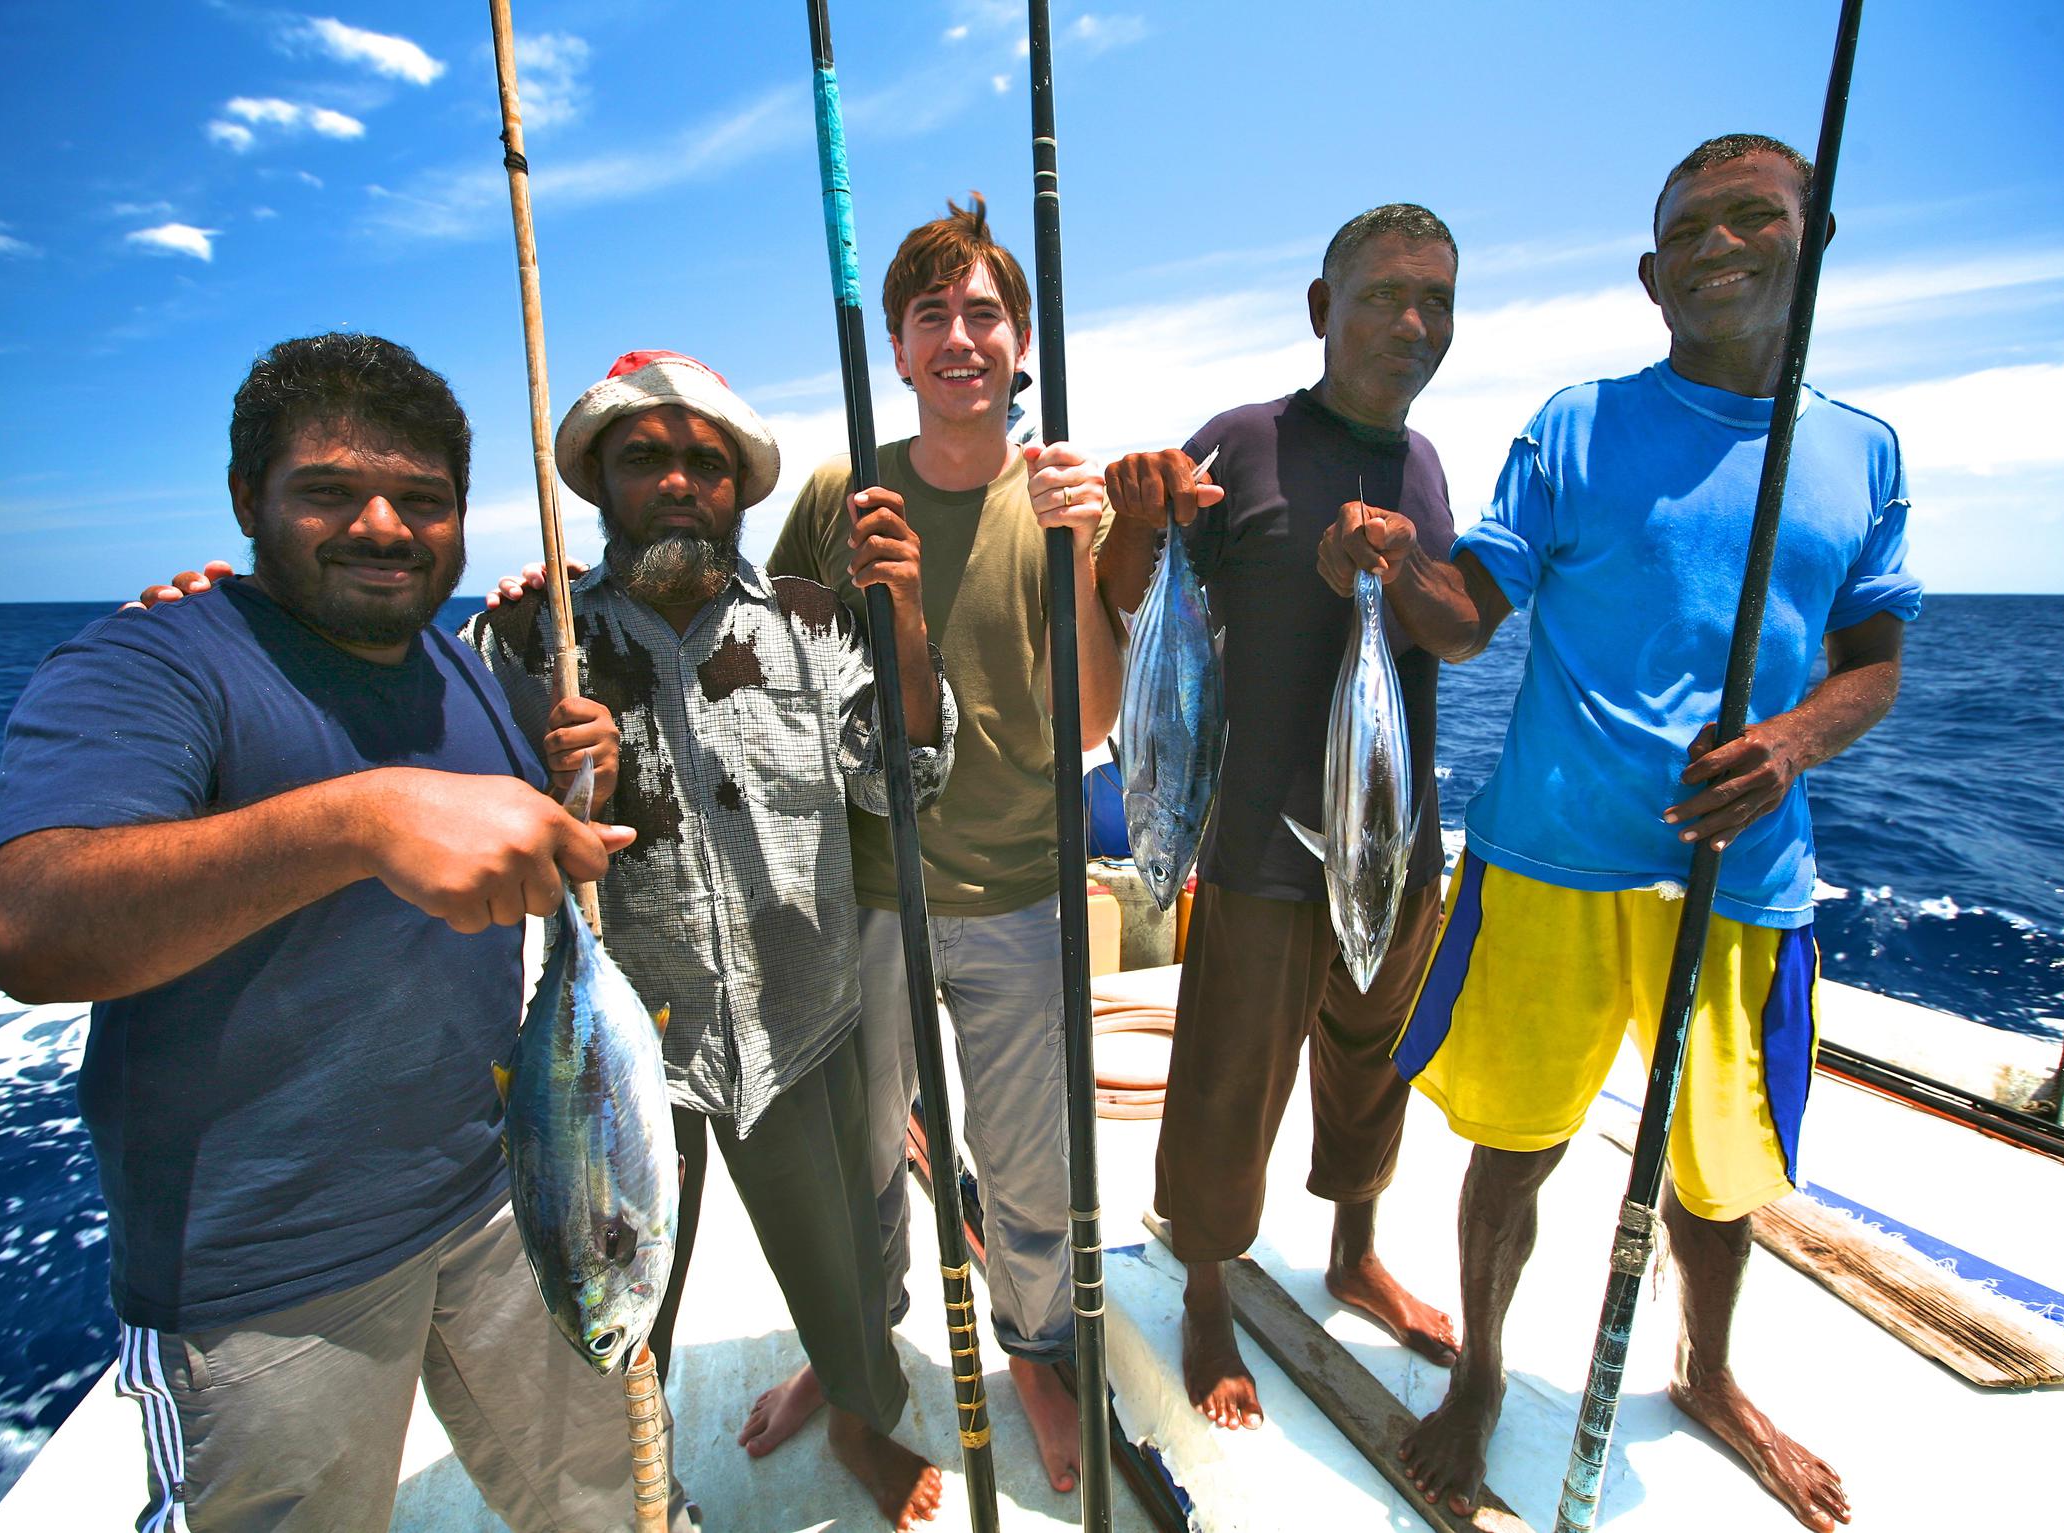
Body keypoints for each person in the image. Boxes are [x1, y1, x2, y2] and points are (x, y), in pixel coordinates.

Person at [0, 333, 682, 1533]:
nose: (381, 527)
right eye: (326, 492)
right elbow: (33, 926)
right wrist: (358, 820)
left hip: (510, 1200)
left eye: (422, 501)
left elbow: (510, 836)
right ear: (247, 499)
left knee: (611, 1506)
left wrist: (581, 783)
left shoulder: (462, 677)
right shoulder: (156, 663)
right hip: (263, 1284)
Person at [1375, 135, 1916, 1531]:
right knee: (1515, 1140)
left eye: (1755, 219)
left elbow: (1874, 658)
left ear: (1816, 240)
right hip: (1549, 858)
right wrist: (1395, 573)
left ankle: (1710, 1373)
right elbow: (1466, 612)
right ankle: (1483, 1377)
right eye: (1689, 229)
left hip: (1745, 880)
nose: (1719, 247)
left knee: (1720, 1166)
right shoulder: (1576, 426)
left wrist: (1791, 742)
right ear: (1648, 270)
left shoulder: (1861, 452)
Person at [465, 348, 956, 1531]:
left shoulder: (820, 622)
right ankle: (628, 1476)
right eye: (645, 460)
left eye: (705, 463)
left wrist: (904, 618)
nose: (679, 482)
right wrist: (548, 779)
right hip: (618, 1063)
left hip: (804, 1024)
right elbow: (467, 831)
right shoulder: (531, 641)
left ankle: (855, 1413)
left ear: (740, 487)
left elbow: (912, 780)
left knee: (844, 1273)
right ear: (595, 486)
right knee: (616, 1297)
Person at [757, 194, 1122, 1492]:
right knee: (855, 1163)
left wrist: (1083, 555)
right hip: (865, 893)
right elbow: (764, 680)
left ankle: (1034, 1345)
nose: (960, 335)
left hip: (1024, 892)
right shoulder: (834, 490)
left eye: (985, 313)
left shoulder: (1063, 497)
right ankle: (856, 1353)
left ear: (1022, 345)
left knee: (1030, 1167)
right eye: (932, 316)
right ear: (898, 354)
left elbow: (1091, 720)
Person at [1094, 204, 1465, 1431]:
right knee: (1225, 1083)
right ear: (1321, 309)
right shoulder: (1243, 441)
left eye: (1435, 303)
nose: (1409, 324)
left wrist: (1397, 567)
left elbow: (1448, 630)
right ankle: (1205, 1285)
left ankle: (1352, 1248)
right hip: (1256, 838)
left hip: (1392, 841)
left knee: (1373, 1061)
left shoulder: (1423, 466)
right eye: (1381, 296)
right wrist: (1138, 515)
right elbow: (1132, 596)